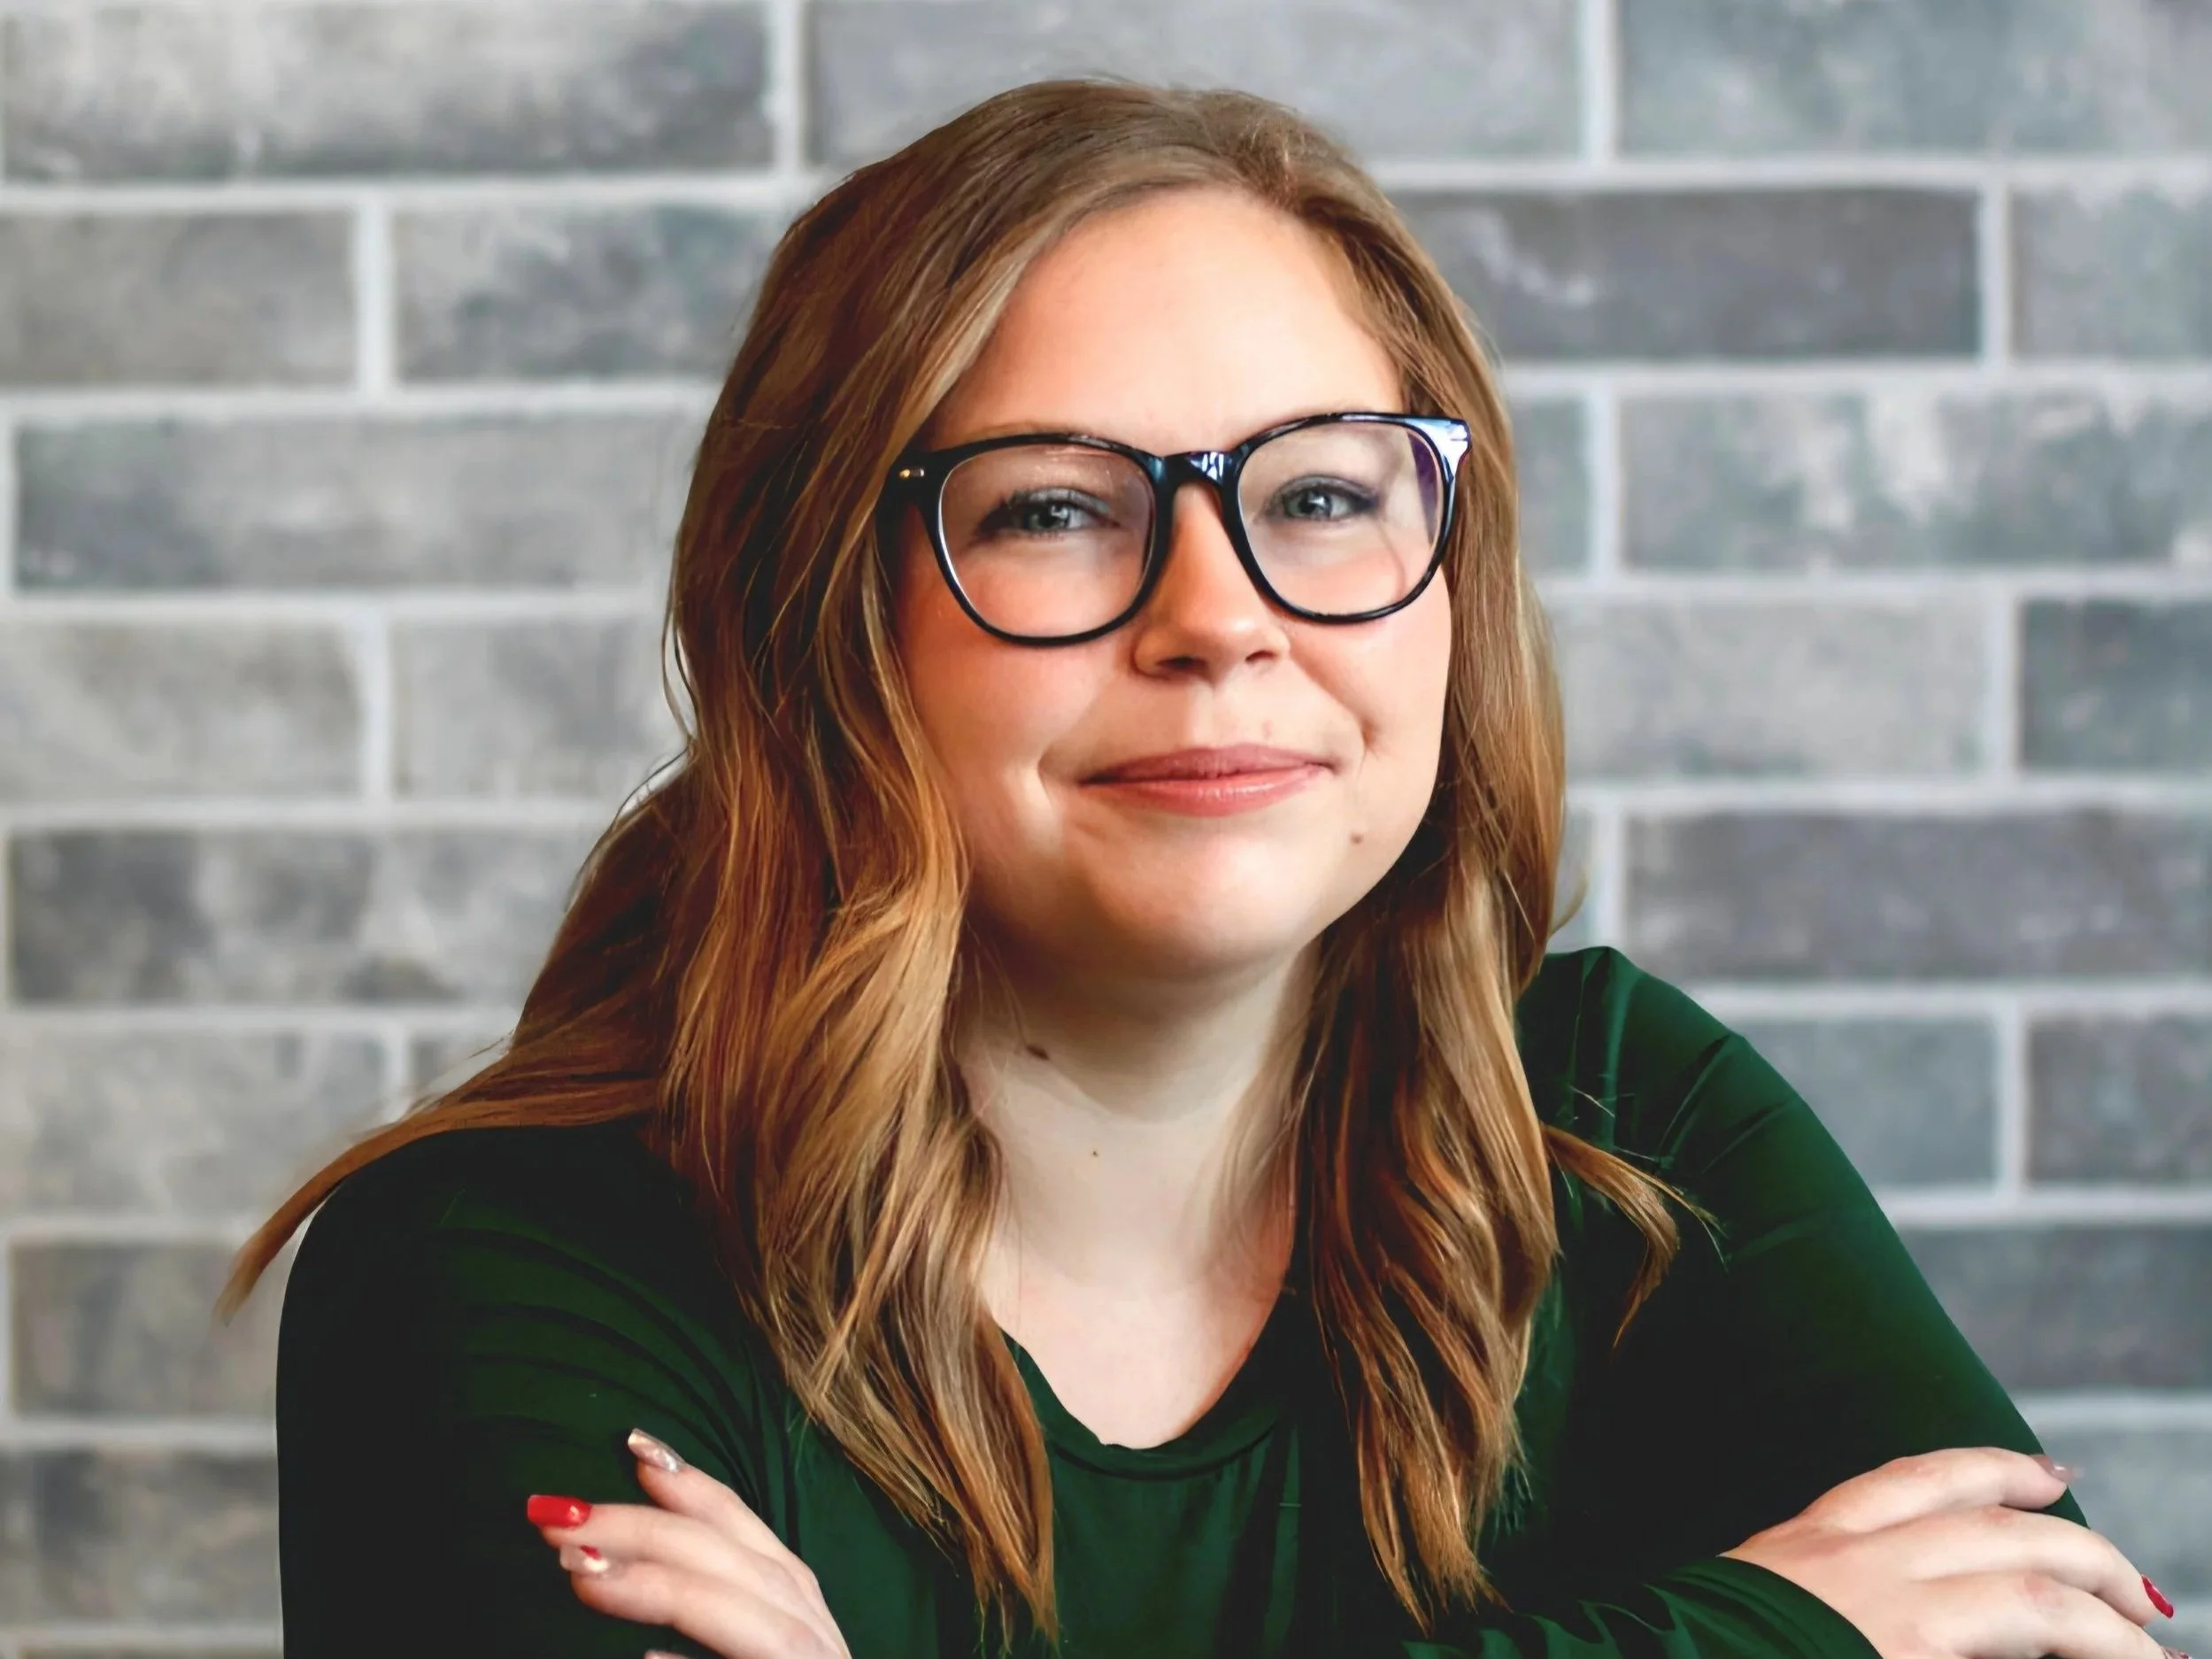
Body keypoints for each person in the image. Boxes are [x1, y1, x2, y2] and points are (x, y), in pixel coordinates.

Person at [220, 80, 2183, 1659]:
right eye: (1059, 509)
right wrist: (1771, 1633)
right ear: (823, 614)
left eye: (1320, 493)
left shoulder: (1617, 1121)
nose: (1217, 616)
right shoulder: (506, 1257)